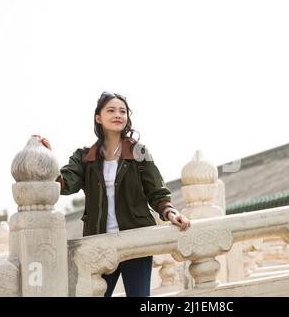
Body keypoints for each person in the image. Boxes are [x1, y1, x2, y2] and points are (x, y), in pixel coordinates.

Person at [36, 91, 190, 297]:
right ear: (98, 117)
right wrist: (48, 158)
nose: (118, 114)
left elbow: (157, 192)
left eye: (122, 111)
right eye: (111, 110)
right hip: (99, 242)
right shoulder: (84, 157)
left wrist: (170, 213)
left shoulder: (139, 152)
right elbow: (64, 185)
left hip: (135, 238)